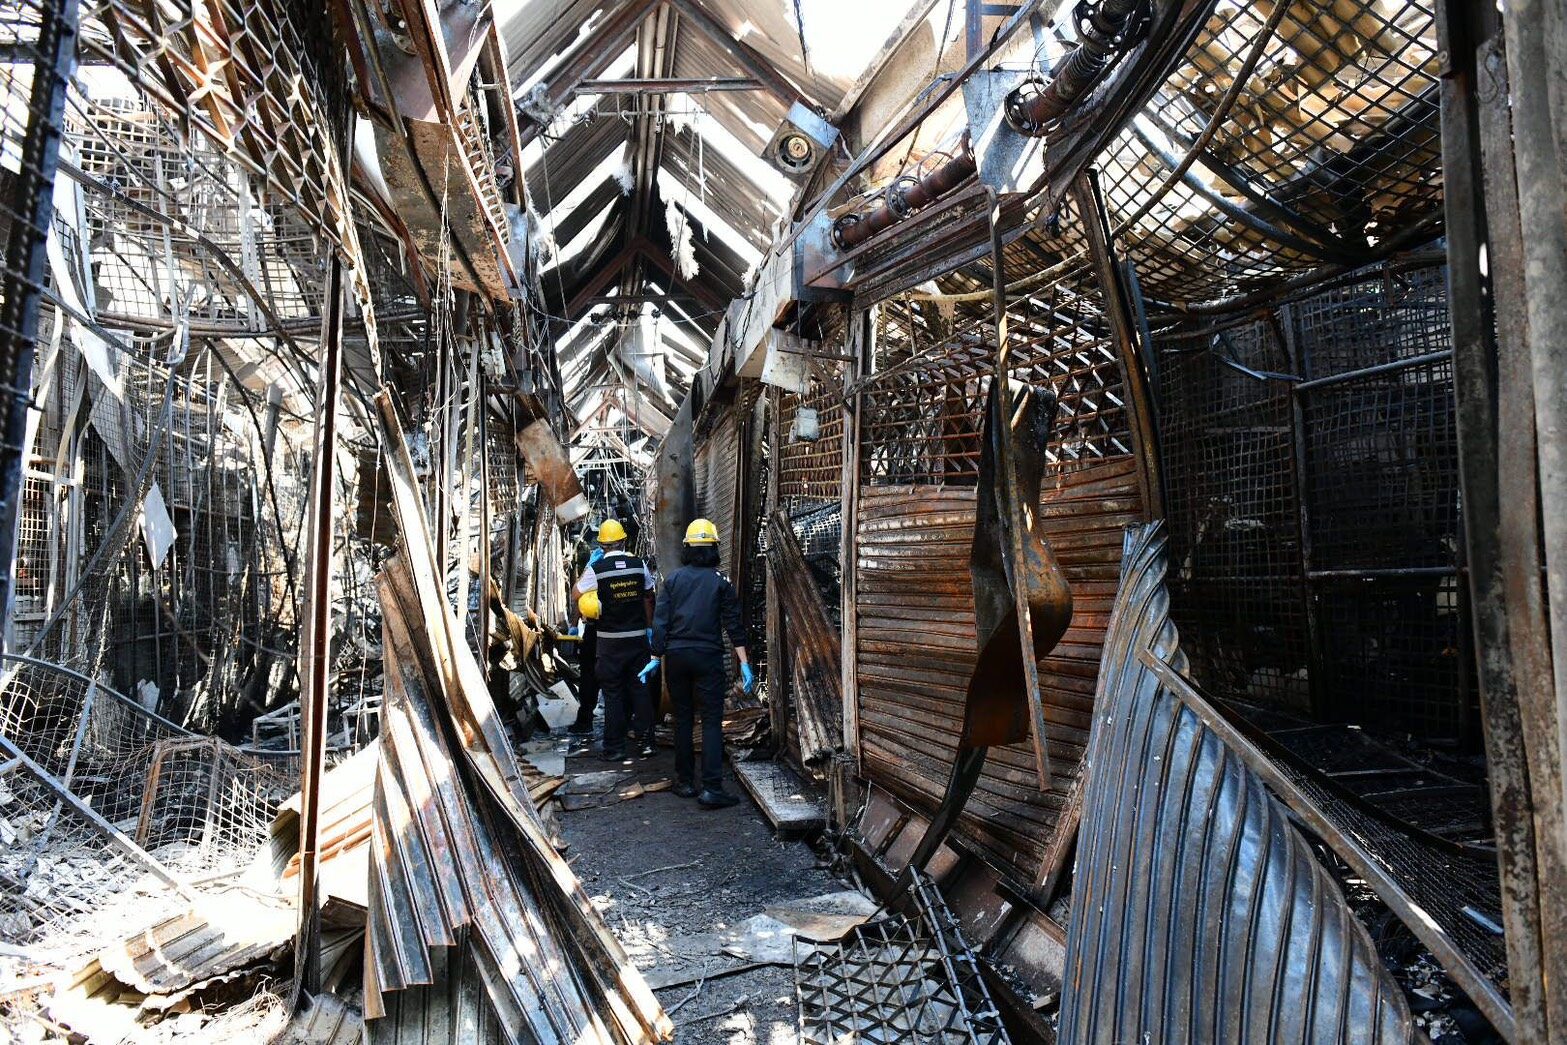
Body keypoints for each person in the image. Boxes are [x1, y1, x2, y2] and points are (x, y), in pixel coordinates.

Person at [639, 518, 754, 808]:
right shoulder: (721, 582)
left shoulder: (673, 581)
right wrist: (744, 663)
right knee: (712, 720)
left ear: (687, 548)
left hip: (677, 658)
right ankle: (712, 788)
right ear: (714, 549)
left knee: (683, 718)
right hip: (708, 657)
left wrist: (655, 657)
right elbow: (733, 625)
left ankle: (685, 782)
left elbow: (660, 623)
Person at [573, 519, 657, 760]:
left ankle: (615, 748)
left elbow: (576, 594)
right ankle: (646, 744)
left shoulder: (597, 569)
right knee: (640, 690)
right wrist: (648, 627)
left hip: (609, 642)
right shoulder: (638, 565)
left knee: (613, 693)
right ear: (623, 541)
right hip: (637, 639)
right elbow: (648, 596)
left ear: (602, 545)